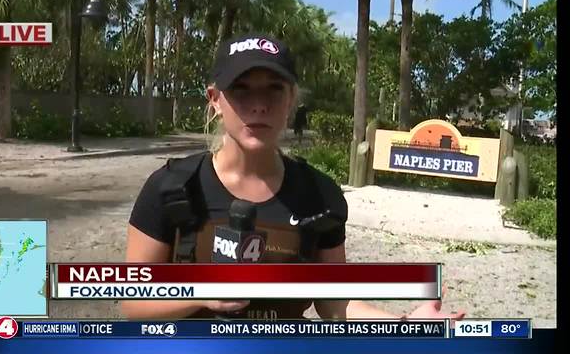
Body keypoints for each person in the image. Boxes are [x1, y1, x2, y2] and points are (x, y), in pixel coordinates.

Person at [122, 33, 465, 321]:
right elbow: (134, 303)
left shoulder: (320, 195)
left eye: (273, 89)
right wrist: (202, 295)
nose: (258, 104)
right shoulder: (171, 189)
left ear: (291, 100)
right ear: (215, 100)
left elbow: (334, 302)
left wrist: (403, 324)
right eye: (241, 89)